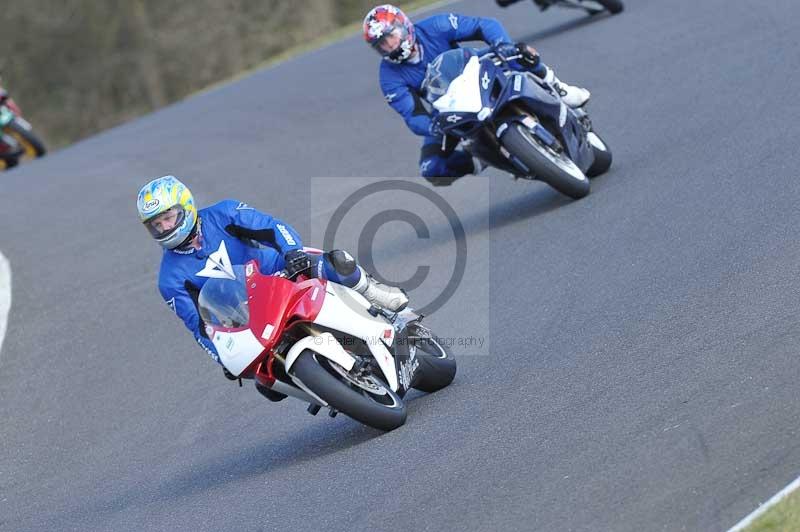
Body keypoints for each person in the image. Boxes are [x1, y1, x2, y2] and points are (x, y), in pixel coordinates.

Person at [137, 175, 408, 398]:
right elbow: (198, 327)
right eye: (156, 225)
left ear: (185, 206)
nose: (164, 227)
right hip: (247, 315)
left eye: (168, 217)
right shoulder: (169, 280)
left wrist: (292, 252)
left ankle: (376, 294)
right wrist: (223, 358)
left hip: (281, 270)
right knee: (266, 384)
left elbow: (272, 226)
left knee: (338, 263)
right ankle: (327, 391)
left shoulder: (224, 213)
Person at [363, 4, 591, 186]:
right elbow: (412, 113)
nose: (388, 46)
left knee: (521, 53)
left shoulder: (436, 25)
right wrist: (433, 127)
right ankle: (480, 159)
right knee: (431, 169)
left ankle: (560, 88)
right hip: (447, 107)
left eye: (390, 37)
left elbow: (484, 25)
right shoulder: (388, 77)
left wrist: (502, 45)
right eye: (381, 45)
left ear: (403, 27)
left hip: (475, 67)